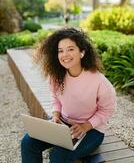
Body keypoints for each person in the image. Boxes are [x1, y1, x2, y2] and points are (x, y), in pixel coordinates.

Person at [21, 27, 116, 163]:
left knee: (59, 155)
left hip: (92, 131)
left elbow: (107, 110)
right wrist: (55, 115)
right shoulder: (57, 76)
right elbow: (55, 98)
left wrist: (86, 126)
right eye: (60, 51)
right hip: (63, 124)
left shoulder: (99, 81)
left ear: (82, 52)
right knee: (28, 142)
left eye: (70, 49)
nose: (64, 55)